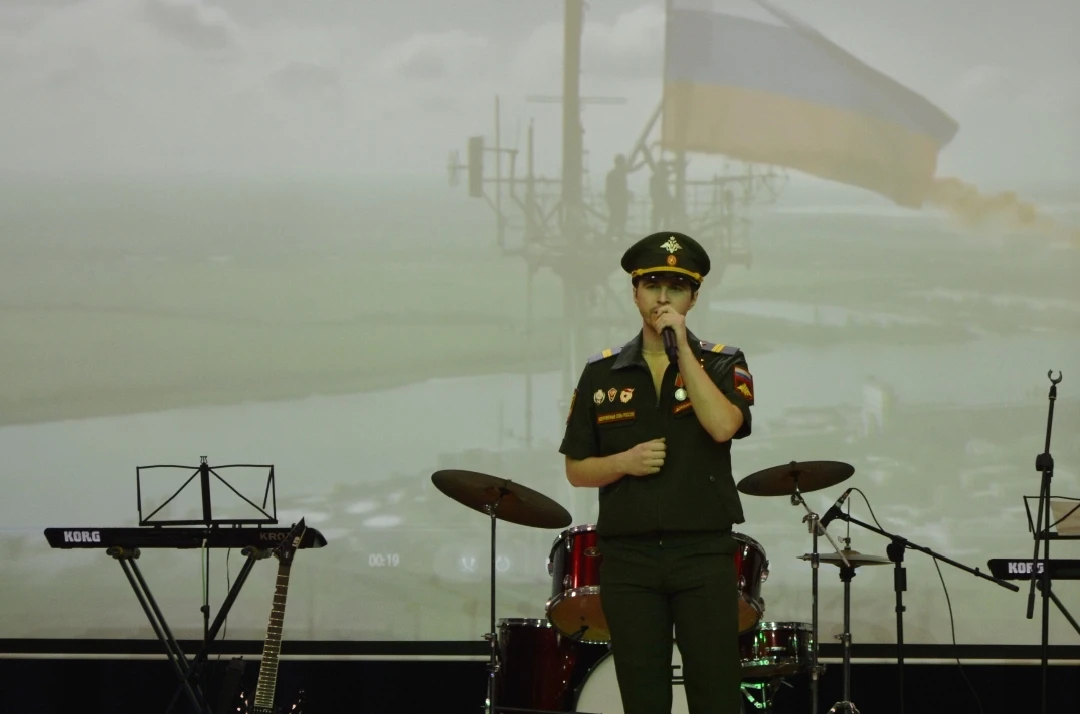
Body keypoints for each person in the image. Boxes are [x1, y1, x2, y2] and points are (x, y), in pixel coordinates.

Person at [560, 230, 754, 714]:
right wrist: (624, 463)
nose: (662, 298)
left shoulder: (723, 362)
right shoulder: (601, 374)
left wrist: (682, 349)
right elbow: (576, 470)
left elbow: (723, 426)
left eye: (676, 288)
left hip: (703, 553)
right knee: (642, 697)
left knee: (716, 694)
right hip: (629, 559)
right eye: (651, 286)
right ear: (635, 293)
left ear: (693, 298)